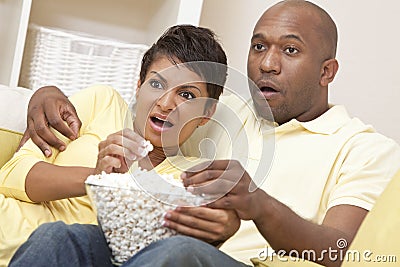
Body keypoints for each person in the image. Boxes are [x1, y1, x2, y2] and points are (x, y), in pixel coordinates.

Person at [11, 1, 400, 267]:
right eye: (259, 46)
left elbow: (341, 250)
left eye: (290, 50)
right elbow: (150, 99)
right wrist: (45, 93)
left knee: (176, 254)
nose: (267, 63)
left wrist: (260, 207)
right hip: (163, 251)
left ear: (327, 71)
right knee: (60, 239)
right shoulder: (219, 113)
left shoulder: (363, 148)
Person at [0, 25, 240, 267]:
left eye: (186, 95)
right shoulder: (103, 102)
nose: (166, 103)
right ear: (138, 86)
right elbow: (10, 175)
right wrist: (96, 177)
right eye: (156, 84)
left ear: (207, 113)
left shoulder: (189, 179)